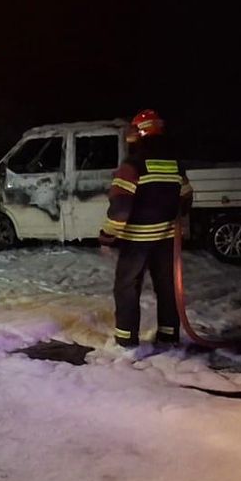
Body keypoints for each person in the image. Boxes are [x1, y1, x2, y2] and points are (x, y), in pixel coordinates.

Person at [99, 110, 193, 350]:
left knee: (127, 288)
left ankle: (126, 341)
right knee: (166, 287)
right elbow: (186, 198)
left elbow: (120, 209)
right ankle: (169, 336)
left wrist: (107, 236)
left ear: (140, 133)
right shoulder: (175, 165)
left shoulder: (133, 165)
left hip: (136, 241)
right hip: (165, 239)